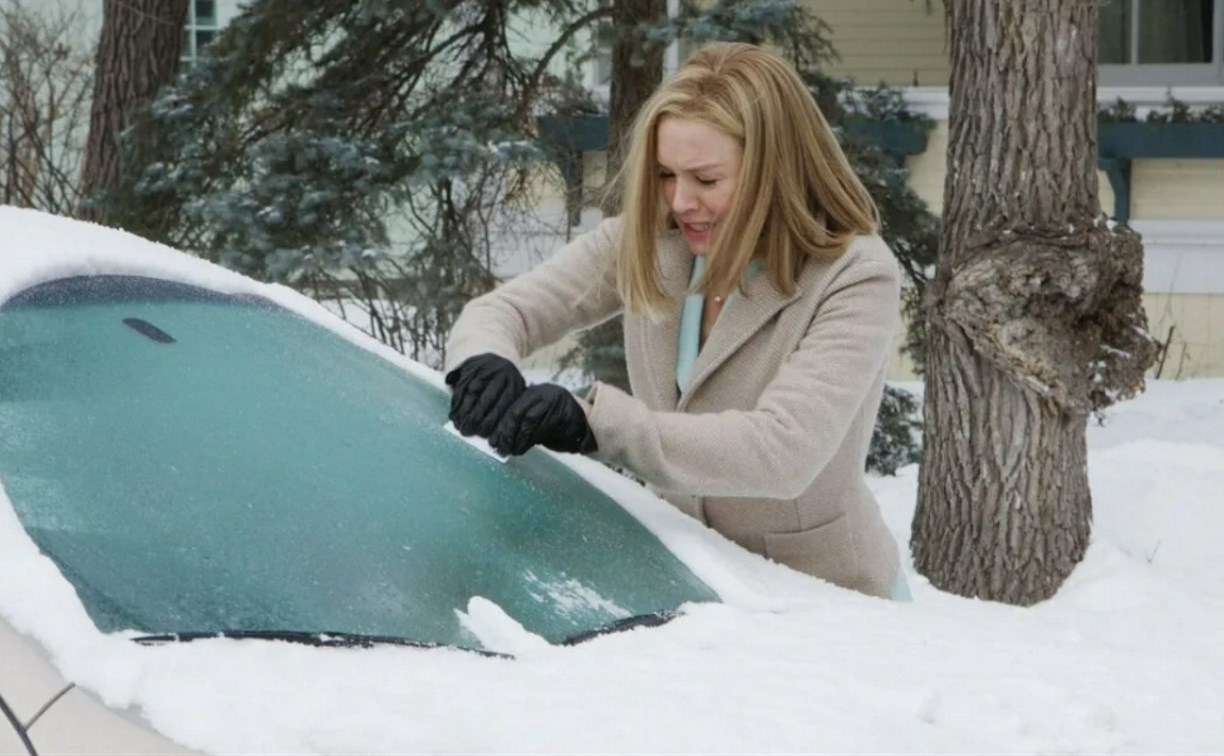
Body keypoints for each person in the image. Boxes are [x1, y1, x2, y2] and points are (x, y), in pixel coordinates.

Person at [444, 42, 909, 600]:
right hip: (685, 588)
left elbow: (783, 452)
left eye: (706, 180)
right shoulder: (649, 239)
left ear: (774, 172)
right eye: (666, 175)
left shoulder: (853, 275)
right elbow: (503, 311)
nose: (680, 200)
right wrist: (483, 360)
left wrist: (596, 425)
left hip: (823, 601)